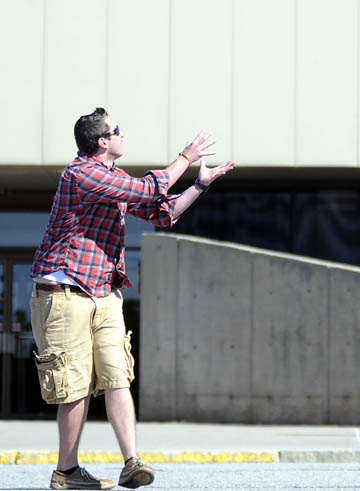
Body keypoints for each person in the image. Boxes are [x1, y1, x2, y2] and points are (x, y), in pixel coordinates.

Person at [29, 107, 235, 490]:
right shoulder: (81, 174)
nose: (124, 135)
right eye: (117, 130)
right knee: (74, 387)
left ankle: (131, 463)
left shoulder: (113, 178)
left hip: (105, 291)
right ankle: (67, 473)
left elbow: (162, 213)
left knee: (117, 375)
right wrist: (186, 157)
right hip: (64, 292)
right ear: (102, 141)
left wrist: (199, 185)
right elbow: (146, 189)